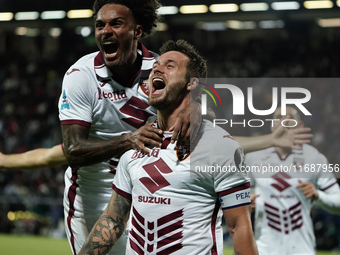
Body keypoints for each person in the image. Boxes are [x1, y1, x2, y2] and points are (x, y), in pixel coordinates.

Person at [78, 39, 258, 255]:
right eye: (155, 66)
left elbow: (239, 226)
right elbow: (113, 220)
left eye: (169, 66)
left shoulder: (220, 146)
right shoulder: (137, 143)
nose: (156, 69)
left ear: (192, 83)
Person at [247, 106, 340, 255]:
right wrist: (244, 201)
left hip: (302, 249)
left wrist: (318, 196)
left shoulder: (314, 158)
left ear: (300, 125)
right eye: (279, 117)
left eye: (290, 116)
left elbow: (338, 203)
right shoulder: (253, 158)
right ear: (272, 125)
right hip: (265, 249)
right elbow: (235, 196)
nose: (284, 121)